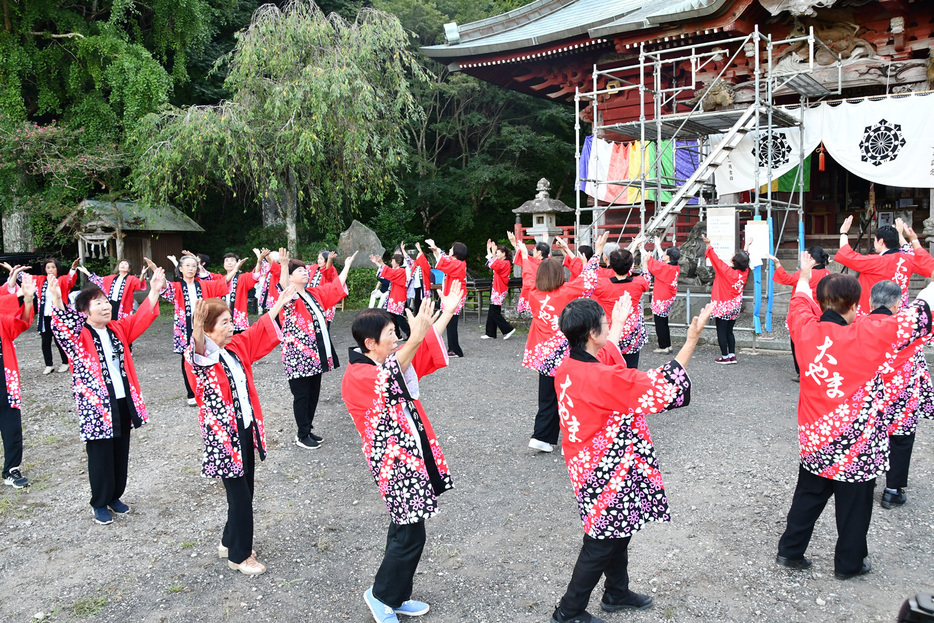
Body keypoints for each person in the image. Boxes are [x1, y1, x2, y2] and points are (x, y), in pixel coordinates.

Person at [550, 296, 711, 623]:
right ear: (592, 333)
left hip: (588, 460)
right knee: (600, 539)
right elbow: (658, 386)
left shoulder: (567, 365)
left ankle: (616, 591)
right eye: (605, 323)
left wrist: (619, 322)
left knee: (618, 527)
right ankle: (568, 611)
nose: (610, 327)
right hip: (603, 466)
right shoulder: (601, 378)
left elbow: (605, 351)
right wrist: (692, 340)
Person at [776, 253, 934, 580]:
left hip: (816, 437)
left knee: (808, 495)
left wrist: (805, 274)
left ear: (823, 304)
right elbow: (921, 311)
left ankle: (790, 551)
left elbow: (800, 300)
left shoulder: (804, 328)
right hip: (857, 443)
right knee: (854, 507)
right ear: (854, 305)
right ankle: (848, 564)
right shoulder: (872, 333)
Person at [341, 282, 463, 623]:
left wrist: (448, 311)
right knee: (410, 533)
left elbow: (420, 349)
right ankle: (381, 596)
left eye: (398, 333)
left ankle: (394, 595)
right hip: (393, 465)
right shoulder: (359, 375)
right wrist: (417, 333)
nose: (397, 339)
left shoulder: (385, 363)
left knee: (406, 529)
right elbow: (407, 354)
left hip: (409, 459)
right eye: (392, 334)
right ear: (370, 343)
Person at [185, 283, 297, 576]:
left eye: (231, 320)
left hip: (244, 429)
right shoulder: (202, 359)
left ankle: (228, 542)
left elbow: (259, 331)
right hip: (224, 439)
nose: (232, 326)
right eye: (224, 323)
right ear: (208, 330)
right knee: (240, 496)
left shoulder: (233, 349)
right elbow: (197, 350)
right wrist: (196, 329)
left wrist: (279, 304)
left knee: (244, 491)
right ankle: (240, 555)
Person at [48, 266, 167, 525]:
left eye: (105, 302)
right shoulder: (78, 335)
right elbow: (61, 326)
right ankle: (99, 502)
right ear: (84, 311)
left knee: (120, 449)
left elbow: (140, 318)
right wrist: (57, 299)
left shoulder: (117, 328)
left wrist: (155, 291)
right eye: (98, 303)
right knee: (100, 454)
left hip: (122, 398)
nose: (105, 306)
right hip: (96, 404)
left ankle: (115, 496)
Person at [514, 232, 608, 453]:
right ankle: (575, 436)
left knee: (547, 395)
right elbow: (588, 278)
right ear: (560, 275)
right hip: (566, 353)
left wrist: (524, 253)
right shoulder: (566, 292)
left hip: (543, 353)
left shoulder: (534, 294)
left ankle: (541, 435)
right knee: (571, 394)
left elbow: (528, 274)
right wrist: (599, 251)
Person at [270, 247, 356, 450]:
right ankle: (302, 434)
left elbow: (336, 286)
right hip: (297, 355)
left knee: (313, 393)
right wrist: (283, 266)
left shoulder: (313, 293)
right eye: (299, 271)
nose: (305, 272)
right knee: (301, 395)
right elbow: (283, 288)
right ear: (291, 277)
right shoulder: (289, 297)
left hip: (315, 354)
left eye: (305, 270)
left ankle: (307, 429)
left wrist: (347, 267)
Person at [866, 280, 931, 510]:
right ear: (897, 304)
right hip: (902, 394)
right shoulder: (909, 325)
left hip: (869, 394)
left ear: (870, 301)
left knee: (869, 435)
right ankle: (892, 491)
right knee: (901, 440)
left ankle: (866, 480)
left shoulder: (860, 323)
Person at [147, 255, 230, 406]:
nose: (191, 269)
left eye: (193, 266)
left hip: (204, 325)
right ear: (180, 269)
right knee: (187, 359)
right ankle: (191, 393)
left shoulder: (204, 285)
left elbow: (222, 284)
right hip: (184, 327)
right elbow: (165, 286)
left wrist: (234, 269)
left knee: (208, 355)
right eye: (187, 266)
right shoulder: (177, 286)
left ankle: (209, 389)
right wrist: (155, 269)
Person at [765, 247, 831, 379]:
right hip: (821, 313)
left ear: (811, 259)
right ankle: (818, 370)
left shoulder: (805, 273)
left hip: (804, 312)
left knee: (797, 343)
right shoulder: (827, 273)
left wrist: (777, 263)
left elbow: (785, 279)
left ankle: (802, 372)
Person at [834, 215, 913, 314]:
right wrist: (900, 235)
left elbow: (847, 255)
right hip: (898, 313)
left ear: (880, 241)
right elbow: (910, 251)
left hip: (872, 313)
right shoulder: (908, 259)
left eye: (875, 240)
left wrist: (844, 232)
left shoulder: (876, 261)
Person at [0, 275, 36, 489]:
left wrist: (28, 300)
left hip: (3, 370)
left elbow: (18, 324)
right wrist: (18, 294)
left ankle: (11, 468)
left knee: (10, 419)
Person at [591, 242, 651, 369]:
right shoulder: (639, 283)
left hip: (611, 331)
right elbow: (647, 278)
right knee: (631, 367)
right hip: (631, 331)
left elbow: (588, 276)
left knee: (609, 365)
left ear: (611, 264)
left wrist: (597, 252)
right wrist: (645, 265)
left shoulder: (602, 284)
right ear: (630, 266)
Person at [702, 234, 751, 364]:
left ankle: (725, 356)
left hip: (723, 305)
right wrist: (746, 246)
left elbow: (715, 259)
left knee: (721, 332)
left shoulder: (727, 272)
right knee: (729, 331)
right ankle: (732, 355)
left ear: (734, 261)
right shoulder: (745, 272)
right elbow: (746, 258)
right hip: (735, 306)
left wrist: (708, 244)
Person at [32, 258, 79, 374]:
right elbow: (26, 279)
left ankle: (65, 362)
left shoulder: (61, 280)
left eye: (53, 267)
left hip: (58, 315)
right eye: (48, 267)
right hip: (45, 315)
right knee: (45, 341)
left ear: (57, 269)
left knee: (60, 340)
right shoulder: (41, 280)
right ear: (45, 269)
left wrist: (73, 268)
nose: (50, 270)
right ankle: (49, 364)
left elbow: (70, 280)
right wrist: (14, 271)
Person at [425, 238, 467, 358]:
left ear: (456, 252)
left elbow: (444, 261)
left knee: (451, 323)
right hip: (453, 295)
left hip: (455, 297)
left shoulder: (458, 264)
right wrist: (435, 248)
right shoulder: (457, 263)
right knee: (450, 323)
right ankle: (453, 348)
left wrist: (436, 250)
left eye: (451, 249)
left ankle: (455, 350)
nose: (449, 250)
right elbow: (444, 259)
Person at [642, 236, 681, 354]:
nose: (663, 254)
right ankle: (667, 344)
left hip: (661, 297)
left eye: (665, 253)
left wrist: (640, 248)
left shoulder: (665, 267)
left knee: (660, 323)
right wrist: (658, 245)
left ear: (668, 256)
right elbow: (660, 261)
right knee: (664, 322)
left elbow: (649, 261)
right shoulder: (675, 267)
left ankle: (663, 346)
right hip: (669, 297)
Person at [81, 260, 148, 320]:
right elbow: (99, 280)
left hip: (122, 305)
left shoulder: (131, 279)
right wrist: (86, 272)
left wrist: (142, 274)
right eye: (121, 264)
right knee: (109, 322)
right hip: (110, 303)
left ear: (129, 269)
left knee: (121, 324)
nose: (123, 265)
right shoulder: (111, 278)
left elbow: (139, 283)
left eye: (125, 264)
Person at [220, 249, 266, 332]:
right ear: (223, 264)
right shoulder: (219, 279)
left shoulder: (243, 278)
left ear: (238, 263)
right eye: (226, 261)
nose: (229, 263)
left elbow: (255, 275)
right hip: (221, 319)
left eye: (232, 261)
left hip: (238, 319)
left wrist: (259, 260)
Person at [370, 249, 411, 339]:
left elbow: (389, 272)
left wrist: (381, 262)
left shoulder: (401, 271)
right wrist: (378, 263)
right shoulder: (398, 270)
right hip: (394, 295)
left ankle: (409, 332)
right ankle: (397, 334)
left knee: (398, 316)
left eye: (393, 261)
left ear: (398, 262)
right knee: (392, 315)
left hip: (398, 295)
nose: (392, 262)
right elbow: (388, 272)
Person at [482, 239, 516, 340]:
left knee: (494, 312)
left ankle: (508, 329)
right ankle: (490, 332)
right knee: (493, 310)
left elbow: (493, 264)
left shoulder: (505, 263)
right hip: (497, 288)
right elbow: (492, 262)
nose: (496, 254)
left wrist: (492, 251)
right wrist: (489, 250)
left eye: (498, 252)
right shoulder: (502, 262)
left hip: (499, 289)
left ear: (504, 254)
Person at [511, 234, 550, 314]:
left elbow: (524, 257)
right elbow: (545, 254)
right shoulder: (549, 262)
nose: (533, 251)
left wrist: (514, 243)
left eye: (534, 249)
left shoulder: (533, 263)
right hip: (546, 295)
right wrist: (545, 242)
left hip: (533, 294)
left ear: (539, 253)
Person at [309, 249, 339, 324]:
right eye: (318, 258)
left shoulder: (331, 270)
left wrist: (330, 260)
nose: (319, 260)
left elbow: (328, 270)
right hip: (313, 299)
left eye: (321, 259)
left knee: (325, 325)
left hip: (324, 301)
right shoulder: (314, 268)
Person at [410, 243, 433, 312]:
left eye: (419, 255)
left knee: (423, 303)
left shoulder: (426, 265)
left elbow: (423, 261)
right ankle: (417, 315)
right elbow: (409, 260)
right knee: (416, 302)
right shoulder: (416, 265)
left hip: (423, 286)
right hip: (416, 286)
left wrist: (420, 249)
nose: (418, 256)